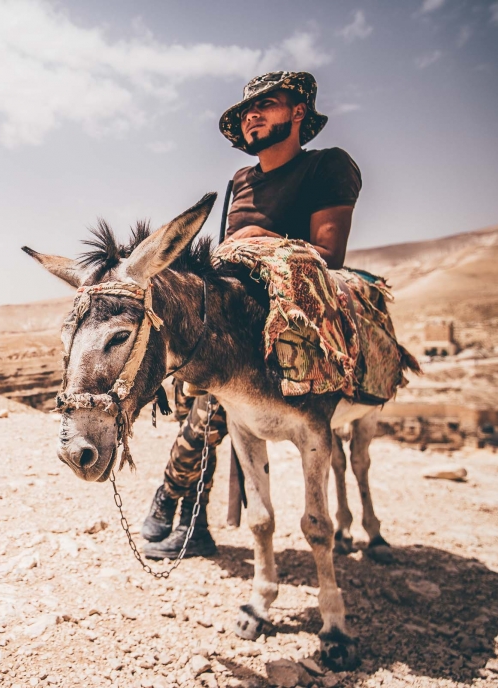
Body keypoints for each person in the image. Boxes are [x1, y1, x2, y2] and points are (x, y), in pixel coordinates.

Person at [142, 71, 362, 560]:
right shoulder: (239, 180)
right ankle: (190, 521)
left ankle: (171, 505)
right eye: (246, 111)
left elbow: (329, 253)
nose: (252, 115)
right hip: (227, 317)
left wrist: (255, 243)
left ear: (299, 112)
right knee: (198, 405)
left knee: (207, 415)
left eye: (267, 104)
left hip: (285, 319)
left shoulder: (328, 166)